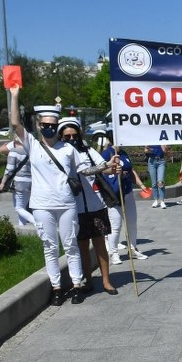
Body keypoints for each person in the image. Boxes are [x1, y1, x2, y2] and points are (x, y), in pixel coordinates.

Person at [8, 86, 88, 305]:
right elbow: (16, 123)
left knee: (71, 245)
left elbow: (85, 170)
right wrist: (14, 95)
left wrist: (108, 167)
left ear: (58, 126)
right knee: (50, 247)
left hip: (66, 204)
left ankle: (77, 284)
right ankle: (56, 288)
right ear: (39, 125)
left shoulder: (68, 149)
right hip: (42, 205)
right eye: (45, 125)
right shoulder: (32, 145)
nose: (49, 129)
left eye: (53, 126)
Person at [58, 117, 117, 295]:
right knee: (82, 246)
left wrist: (112, 167)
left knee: (99, 244)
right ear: (61, 136)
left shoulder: (88, 151)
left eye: (74, 135)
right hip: (74, 207)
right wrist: (104, 166)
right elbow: (86, 170)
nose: (71, 139)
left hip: (95, 204)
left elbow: (102, 167)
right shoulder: (60, 153)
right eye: (66, 136)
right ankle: (89, 280)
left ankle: (106, 281)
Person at [102, 133, 149, 264]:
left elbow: (131, 170)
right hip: (114, 194)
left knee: (132, 222)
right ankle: (113, 253)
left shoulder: (124, 153)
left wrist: (141, 185)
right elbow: (102, 171)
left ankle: (133, 249)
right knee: (115, 225)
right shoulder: (107, 154)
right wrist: (114, 170)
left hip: (128, 192)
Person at [0, 140, 34, 229]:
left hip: (19, 183)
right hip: (31, 182)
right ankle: (22, 228)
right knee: (22, 207)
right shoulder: (32, 150)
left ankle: (37, 223)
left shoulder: (14, 152)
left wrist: (3, 182)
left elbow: (9, 170)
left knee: (18, 208)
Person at [145, 144, 168, 208]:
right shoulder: (150, 140)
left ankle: (162, 201)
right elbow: (145, 151)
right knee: (154, 183)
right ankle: (156, 200)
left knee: (160, 181)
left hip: (161, 161)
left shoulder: (161, 139)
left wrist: (165, 148)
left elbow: (165, 152)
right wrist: (149, 150)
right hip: (152, 161)